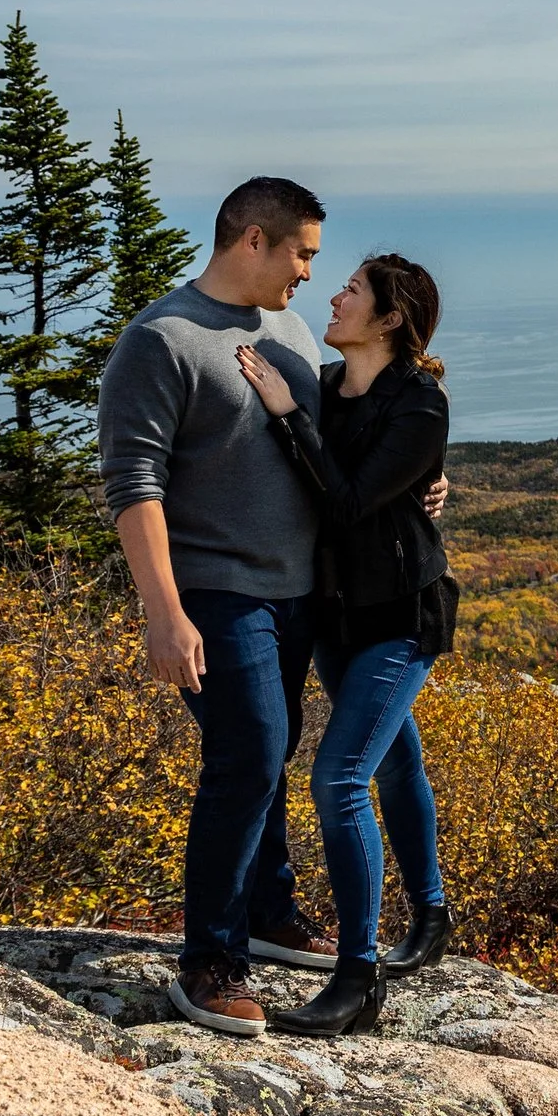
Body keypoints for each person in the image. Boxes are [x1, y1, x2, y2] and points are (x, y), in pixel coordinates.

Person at [100, 177, 344, 1037]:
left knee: (272, 748)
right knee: (249, 751)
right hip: (213, 589)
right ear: (253, 239)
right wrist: (163, 610)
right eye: (302, 252)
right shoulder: (160, 340)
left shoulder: (289, 330)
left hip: (295, 591)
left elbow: (316, 445)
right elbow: (134, 484)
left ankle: (271, 912)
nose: (311, 271)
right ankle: (209, 957)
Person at [236, 253, 457, 1036]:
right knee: (395, 757)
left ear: (390, 318)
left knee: (339, 778)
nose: (334, 294)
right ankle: (432, 912)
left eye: (353, 289)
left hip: (400, 615)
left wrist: (283, 411)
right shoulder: (329, 389)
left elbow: (354, 499)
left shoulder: (419, 401)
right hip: (335, 614)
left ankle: (357, 977)